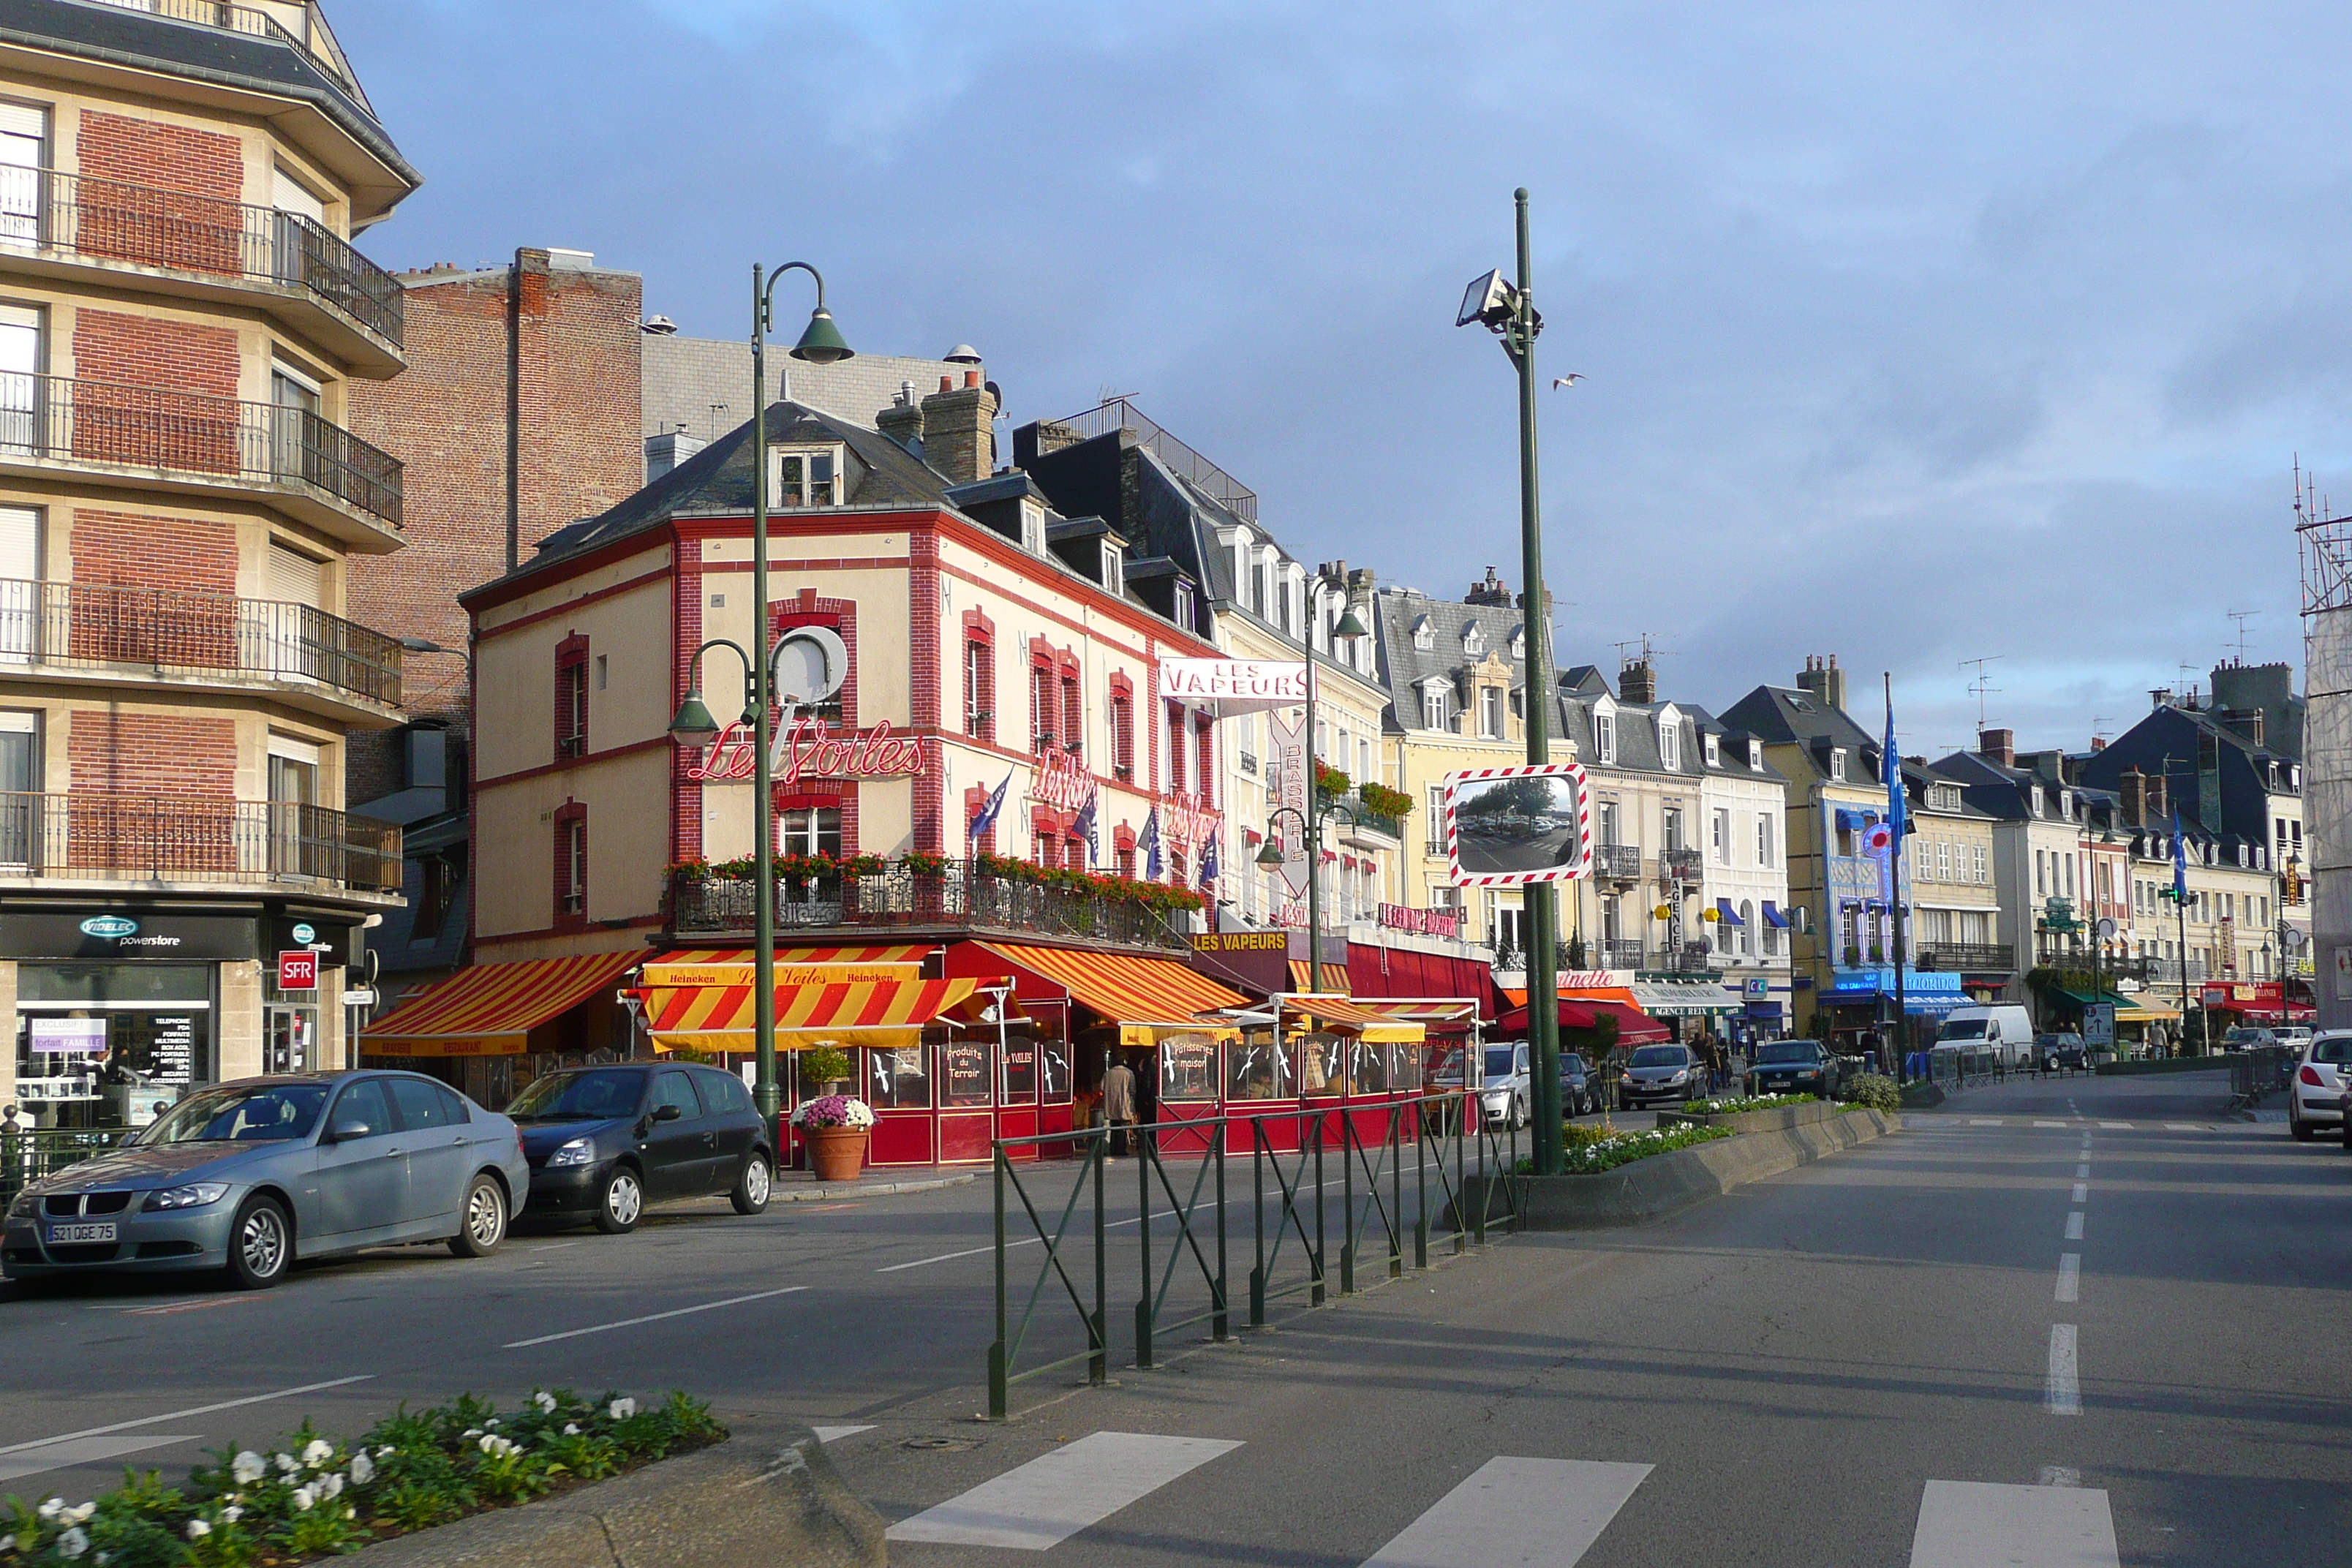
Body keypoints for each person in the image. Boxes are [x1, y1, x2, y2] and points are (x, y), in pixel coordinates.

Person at [1102, 1053, 1137, 1158]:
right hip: (1124, 1104)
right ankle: (1121, 1149)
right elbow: (1133, 1090)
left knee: (1113, 1126)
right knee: (1123, 1127)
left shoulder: (1108, 1074)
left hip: (1111, 1104)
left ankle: (1113, 1148)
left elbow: (1102, 1087)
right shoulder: (1128, 1073)